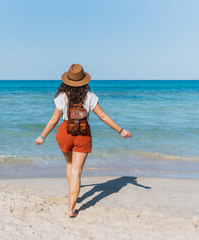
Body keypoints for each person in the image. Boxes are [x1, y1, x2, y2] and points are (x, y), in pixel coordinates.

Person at [35, 63, 132, 218]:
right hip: (83, 135)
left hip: (64, 134)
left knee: (69, 164)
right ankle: (71, 209)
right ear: (84, 81)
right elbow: (103, 116)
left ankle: (73, 193)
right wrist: (120, 130)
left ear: (67, 81)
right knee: (77, 172)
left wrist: (42, 136)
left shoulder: (61, 97)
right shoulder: (90, 97)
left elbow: (54, 119)